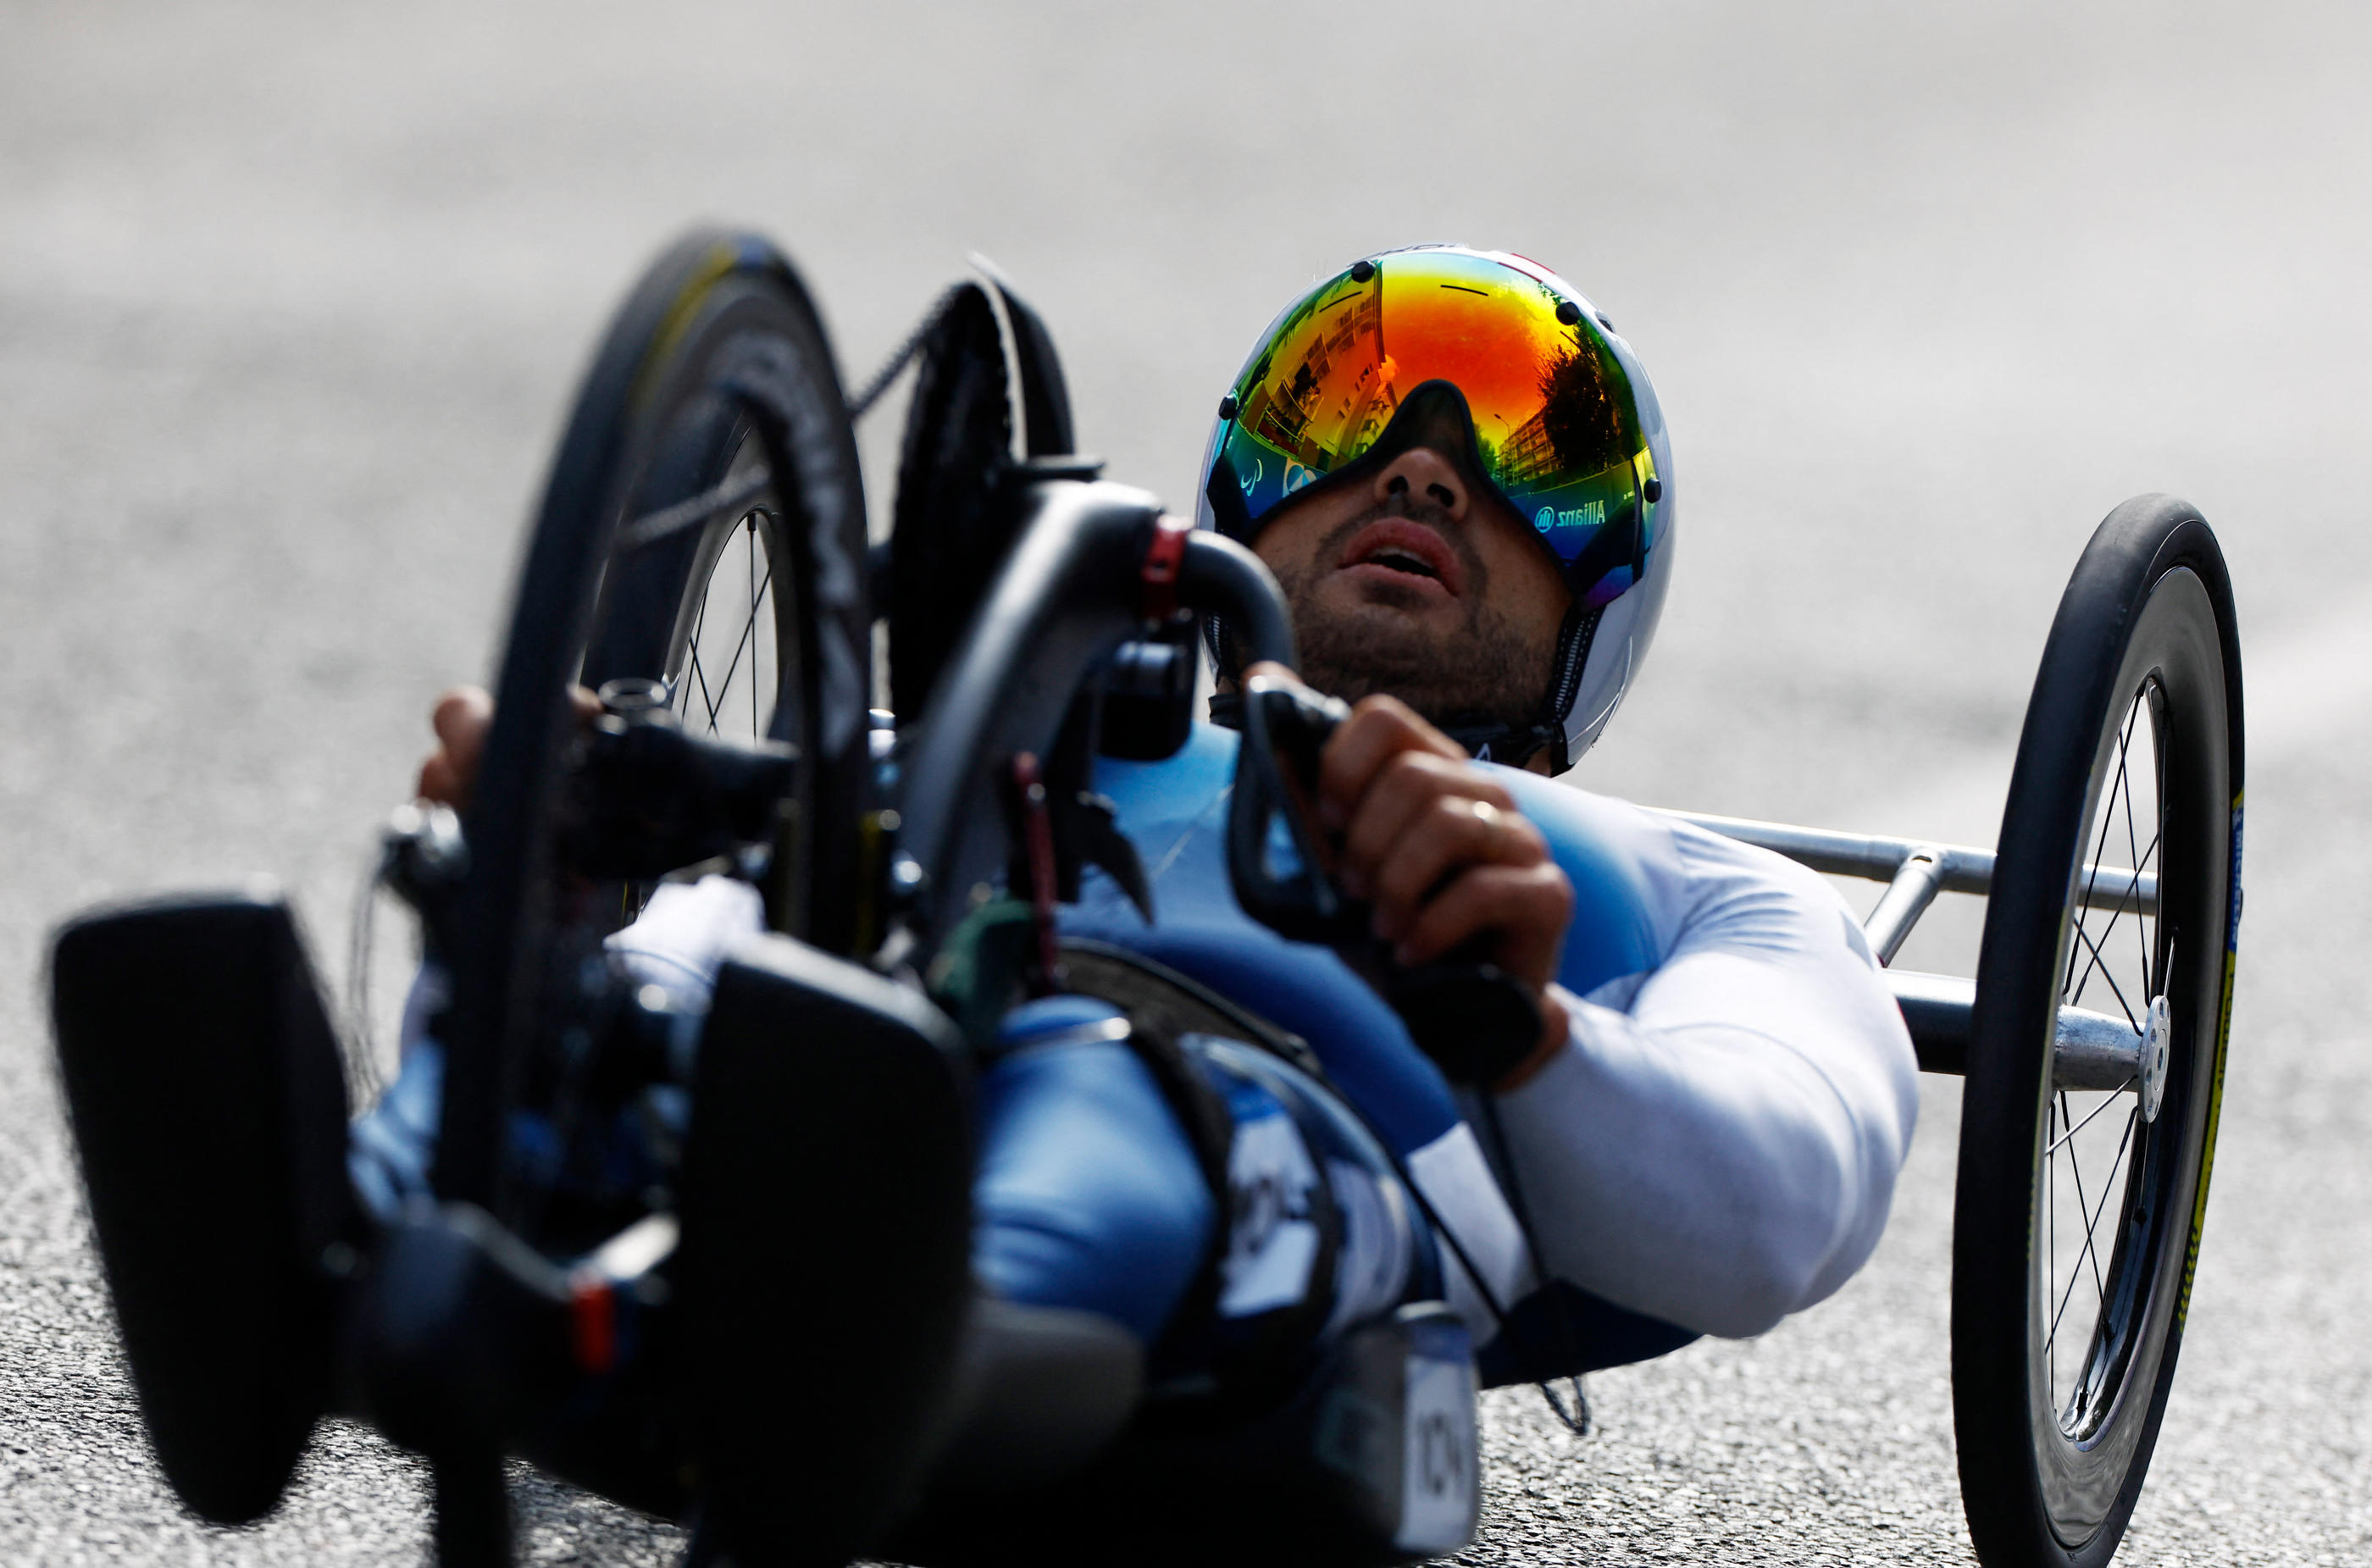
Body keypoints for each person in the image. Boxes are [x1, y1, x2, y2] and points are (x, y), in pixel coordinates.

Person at [369, 245, 1916, 1500]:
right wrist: (557, 890)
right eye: (1350, 407)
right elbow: (707, 952)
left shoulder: (1695, 886)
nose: (1426, 476)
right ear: (1245, 488)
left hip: (1270, 1146)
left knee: (1110, 1094)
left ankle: (860, 1364)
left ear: (1607, 592)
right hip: (882, 1070)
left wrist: (1519, 1027)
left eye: (1533, 455)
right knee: (617, 1027)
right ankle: (352, 1237)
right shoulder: (970, 740)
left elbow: (1774, 1202)